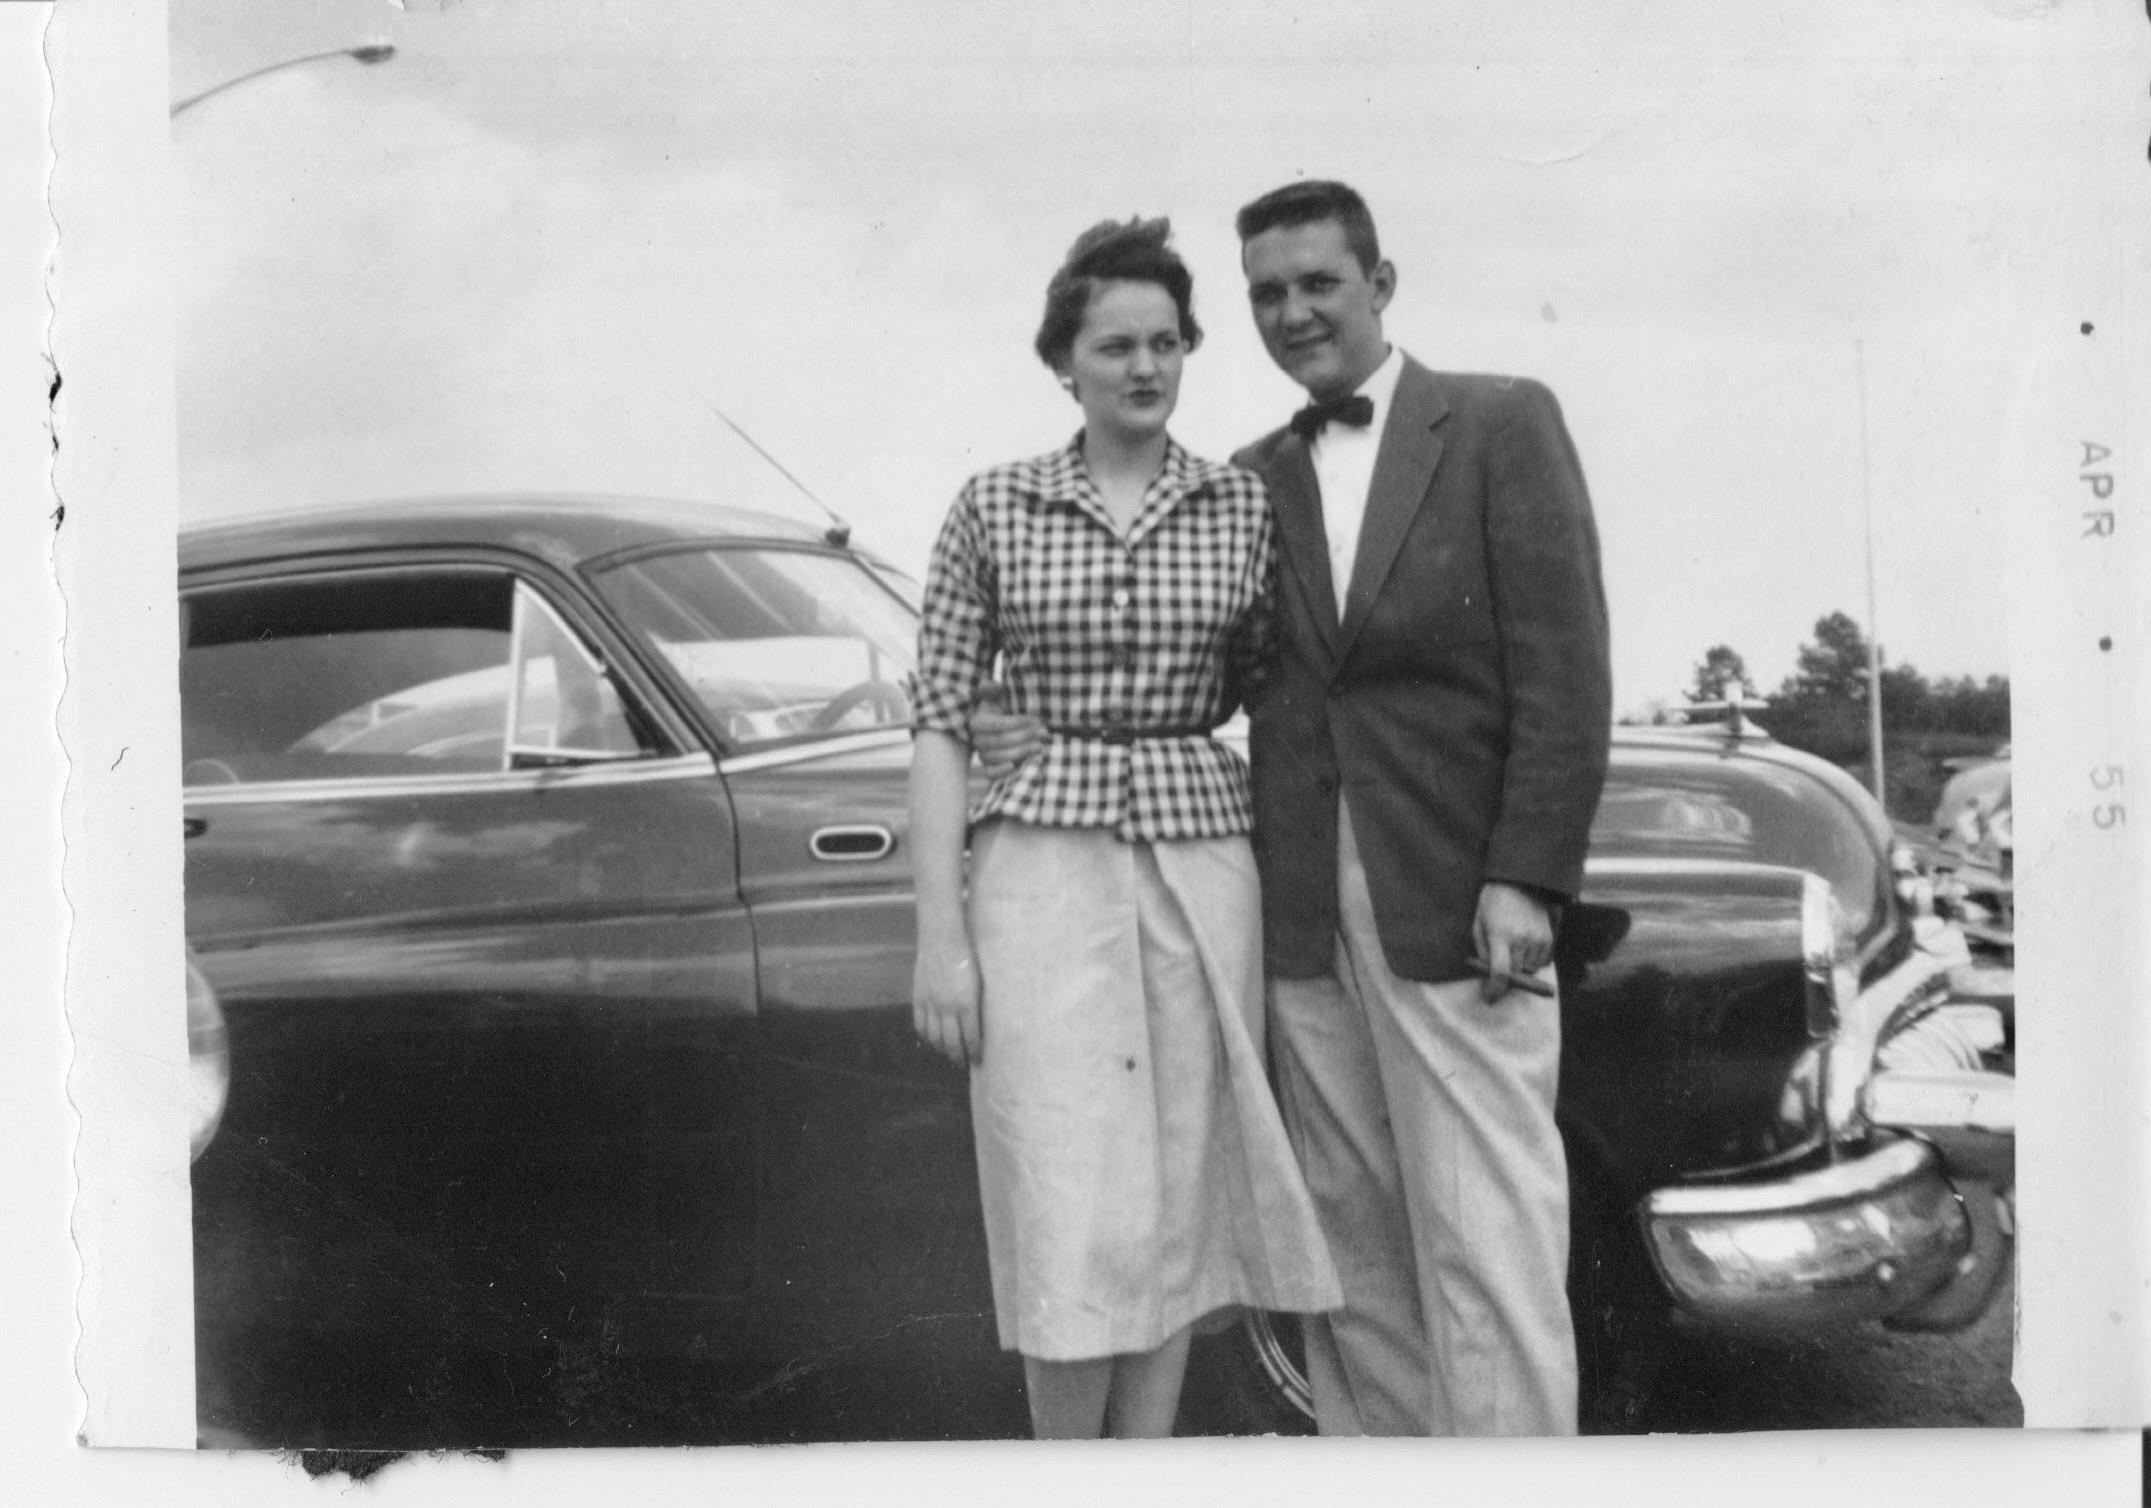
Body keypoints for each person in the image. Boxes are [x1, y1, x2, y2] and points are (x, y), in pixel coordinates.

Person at [974, 181, 1612, 1436]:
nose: (1294, 310)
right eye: (1267, 291)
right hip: (1298, 912)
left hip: (1456, 899)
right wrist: (1042, 717)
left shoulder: (1499, 421)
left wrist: (1527, 874)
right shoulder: (1251, 479)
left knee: (1489, 1241)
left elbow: (1566, 665)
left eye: (1319, 281)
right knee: (1349, 1253)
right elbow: (1203, 677)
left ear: (1381, 283)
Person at [906, 216, 1341, 1440]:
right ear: (1064, 360)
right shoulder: (994, 505)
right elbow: (940, 719)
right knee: (1062, 1189)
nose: (1144, 367)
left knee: (1175, 1192)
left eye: (1166, 343)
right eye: (1114, 345)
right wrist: (940, 936)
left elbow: (1273, 689)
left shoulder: (1239, 506)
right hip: (1038, 864)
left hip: (1204, 863)